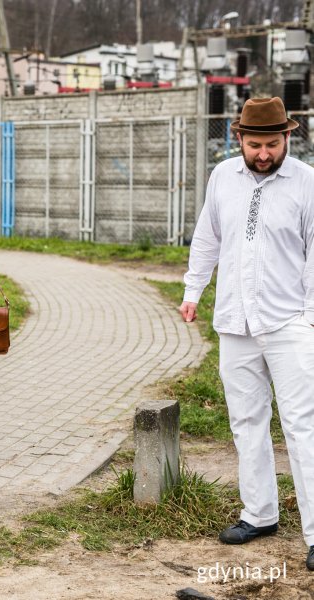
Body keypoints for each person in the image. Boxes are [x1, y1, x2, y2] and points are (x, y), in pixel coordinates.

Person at [180, 97, 314, 570]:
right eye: (254, 144)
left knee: (302, 426)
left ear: (287, 139)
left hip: (290, 322)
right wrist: (193, 289)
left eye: (272, 144)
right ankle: (259, 515)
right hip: (235, 321)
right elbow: (208, 237)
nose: (263, 153)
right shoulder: (222, 178)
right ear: (238, 139)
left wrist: (311, 316)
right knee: (246, 422)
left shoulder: (306, 181)